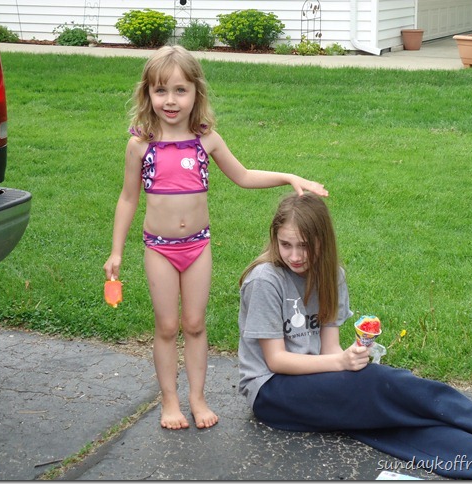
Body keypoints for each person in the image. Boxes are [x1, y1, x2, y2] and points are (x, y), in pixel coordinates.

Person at [237, 192, 472, 480]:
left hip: (314, 382)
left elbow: (328, 349)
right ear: (275, 239)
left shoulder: (332, 275)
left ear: (323, 242)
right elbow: (276, 361)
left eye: (304, 246)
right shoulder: (266, 279)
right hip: (272, 392)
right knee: (391, 387)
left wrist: (350, 357)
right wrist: (342, 364)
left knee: (392, 420)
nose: (295, 256)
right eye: (286, 244)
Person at [103, 46, 328, 431]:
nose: (170, 100)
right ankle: (170, 401)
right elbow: (128, 199)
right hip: (159, 248)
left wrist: (289, 177)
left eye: (180, 90)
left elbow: (244, 176)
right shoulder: (141, 144)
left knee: (194, 324)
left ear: (196, 93)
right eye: (160, 91)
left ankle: (197, 398)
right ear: (147, 93)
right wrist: (116, 252)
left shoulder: (205, 141)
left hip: (198, 246)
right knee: (167, 326)